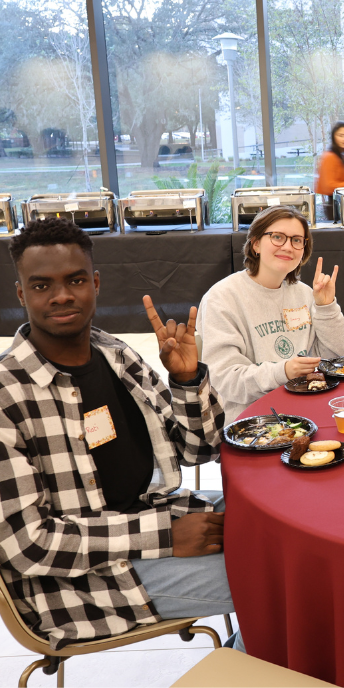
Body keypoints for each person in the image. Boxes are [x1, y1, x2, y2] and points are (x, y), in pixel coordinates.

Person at [0, 218, 244, 651]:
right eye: (41, 286)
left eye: (75, 280)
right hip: (85, 585)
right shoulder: (7, 395)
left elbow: (198, 449)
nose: (61, 295)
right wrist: (166, 534)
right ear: (21, 294)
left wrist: (187, 381)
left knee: (291, 525)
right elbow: (28, 545)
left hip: (157, 511)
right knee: (287, 578)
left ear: (95, 283)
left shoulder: (114, 354)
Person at [197, 205, 344, 423]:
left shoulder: (305, 293)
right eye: (278, 237)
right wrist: (284, 372)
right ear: (256, 243)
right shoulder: (223, 298)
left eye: (297, 240)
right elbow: (225, 380)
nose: (288, 247)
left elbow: (337, 356)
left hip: (308, 409)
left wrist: (326, 308)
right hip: (252, 421)